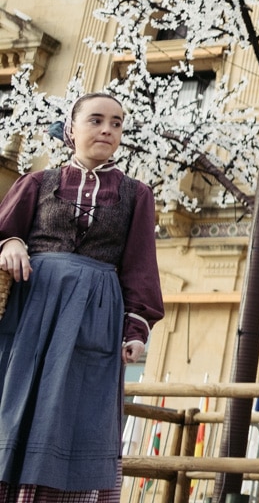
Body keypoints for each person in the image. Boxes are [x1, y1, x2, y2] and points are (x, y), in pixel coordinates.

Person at [0, 92, 164, 503]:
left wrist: (136, 328)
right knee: (13, 405)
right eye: (95, 120)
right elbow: (3, 230)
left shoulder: (136, 194)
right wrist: (13, 243)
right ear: (71, 129)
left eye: (116, 123)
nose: (107, 129)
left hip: (94, 317)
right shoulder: (38, 182)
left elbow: (141, 266)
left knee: (75, 412)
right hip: (30, 313)